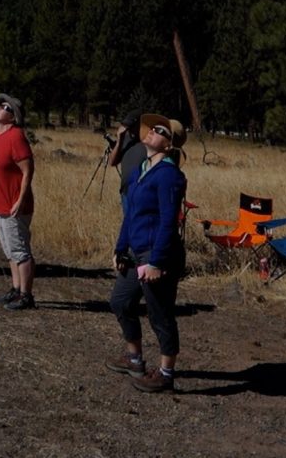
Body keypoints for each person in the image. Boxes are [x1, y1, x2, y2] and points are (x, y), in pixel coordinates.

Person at [106, 114, 188, 393]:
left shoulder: (169, 175)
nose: (152, 131)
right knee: (120, 302)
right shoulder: (141, 169)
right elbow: (131, 215)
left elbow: (168, 221)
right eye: (153, 128)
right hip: (135, 250)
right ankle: (134, 358)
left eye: (161, 131)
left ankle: (165, 373)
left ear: (169, 144)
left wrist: (156, 261)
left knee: (160, 314)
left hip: (157, 253)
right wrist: (120, 248)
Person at [0, 93, 38, 311]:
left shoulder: (16, 136)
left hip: (14, 204)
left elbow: (28, 170)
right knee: (9, 250)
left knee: (20, 250)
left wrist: (20, 199)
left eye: (5, 107)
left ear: (13, 116)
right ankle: (16, 289)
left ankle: (26, 295)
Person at [107, 109, 147, 214]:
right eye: (126, 126)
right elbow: (112, 162)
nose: (129, 130)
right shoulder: (126, 139)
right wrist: (119, 140)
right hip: (126, 192)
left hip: (143, 193)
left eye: (131, 126)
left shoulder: (149, 142)